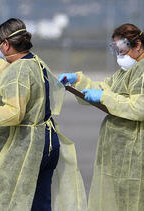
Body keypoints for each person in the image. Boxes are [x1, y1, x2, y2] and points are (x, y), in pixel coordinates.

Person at [0, 18, 86, 211]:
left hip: (29, 147)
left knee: (8, 200)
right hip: (48, 142)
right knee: (40, 203)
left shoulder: (18, 73)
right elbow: (3, 69)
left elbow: (13, 113)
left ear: (7, 44)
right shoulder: (34, 61)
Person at [58, 23, 144, 211]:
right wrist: (78, 81)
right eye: (116, 50)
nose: (119, 55)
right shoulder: (129, 70)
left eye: (121, 49)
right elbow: (106, 88)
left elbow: (140, 106)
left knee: (134, 201)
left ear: (137, 45)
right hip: (120, 153)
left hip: (136, 153)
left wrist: (105, 98)